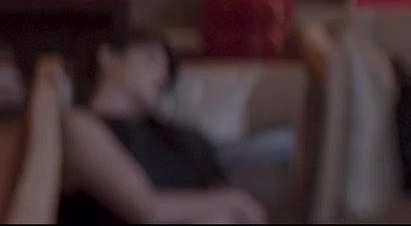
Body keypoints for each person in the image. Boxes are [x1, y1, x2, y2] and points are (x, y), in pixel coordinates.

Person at [55, 27, 267, 224]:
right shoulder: (79, 124)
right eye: (151, 60)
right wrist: (235, 200)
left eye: (166, 71)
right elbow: (147, 209)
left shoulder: (175, 137)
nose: (161, 76)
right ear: (107, 57)